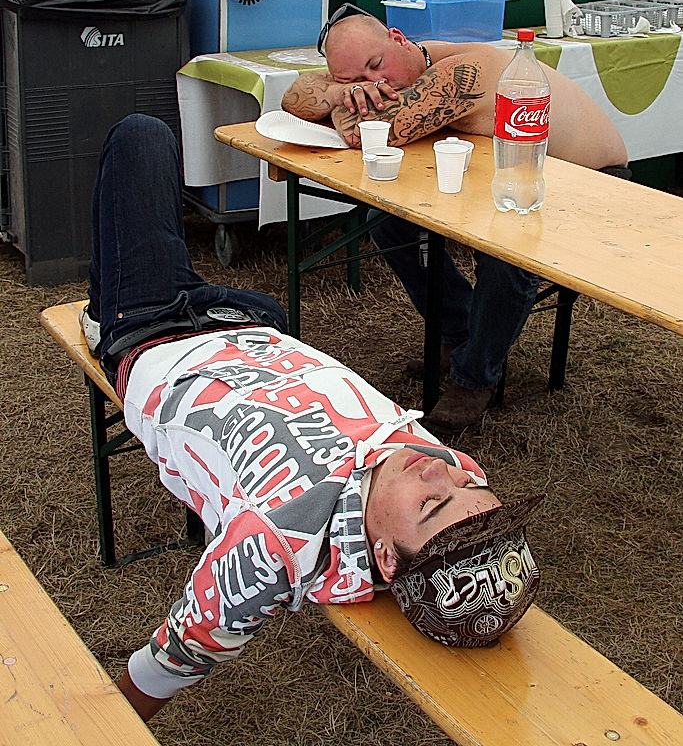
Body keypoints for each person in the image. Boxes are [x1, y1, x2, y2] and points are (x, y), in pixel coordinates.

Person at [81, 113, 543, 722]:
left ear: (384, 557)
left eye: (433, 503)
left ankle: (103, 313)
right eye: (469, 486)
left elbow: (181, 652)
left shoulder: (277, 542)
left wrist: (105, 724)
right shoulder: (434, 471)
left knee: (142, 137)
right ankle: (123, 291)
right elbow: (453, 491)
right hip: (255, 325)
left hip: (159, 331)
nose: (441, 470)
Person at [280, 4, 629, 434]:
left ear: (398, 38)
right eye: (354, 79)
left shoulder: (463, 70)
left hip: (592, 183)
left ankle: (475, 378)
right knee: (386, 219)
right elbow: (293, 97)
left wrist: (343, 97)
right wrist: (342, 93)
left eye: (376, 64)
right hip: (510, 171)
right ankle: (458, 329)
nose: (374, 83)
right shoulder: (408, 68)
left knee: (505, 249)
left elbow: (364, 133)